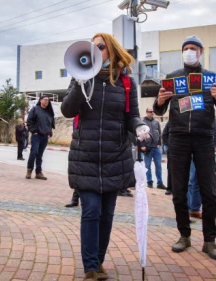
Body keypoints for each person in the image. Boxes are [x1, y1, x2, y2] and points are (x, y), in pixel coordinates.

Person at [61, 33, 148, 281]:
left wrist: (140, 126)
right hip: (85, 156)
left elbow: (132, 116)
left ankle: (98, 261)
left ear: (110, 50)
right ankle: (90, 266)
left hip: (114, 156)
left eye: (100, 46)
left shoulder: (125, 82)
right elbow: (67, 110)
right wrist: (79, 84)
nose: (95, 50)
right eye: (92, 46)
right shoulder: (80, 76)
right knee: (91, 211)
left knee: (107, 215)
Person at [154, 35, 216, 261]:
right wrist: (159, 101)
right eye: (186, 48)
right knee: (178, 191)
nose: (189, 51)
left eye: (193, 48)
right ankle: (184, 236)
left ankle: (210, 241)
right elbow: (159, 111)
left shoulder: (213, 78)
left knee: (208, 192)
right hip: (178, 138)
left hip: (204, 138)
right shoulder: (172, 78)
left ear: (200, 52)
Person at [26, 95, 55, 180]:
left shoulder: (49, 112)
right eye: (45, 100)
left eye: (48, 100)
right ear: (40, 100)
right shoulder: (35, 109)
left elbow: (50, 123)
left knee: (40, 155)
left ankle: (38, 172)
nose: (47, 101)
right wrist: (34, 131)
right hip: (36, 135)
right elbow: (29, 121)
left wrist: (50, 132)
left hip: (45, 136)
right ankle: (29, 170)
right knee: (34, 152)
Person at [140, 108, 166, 189]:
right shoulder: (142, 122)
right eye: (150, 112)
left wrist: (159, 143)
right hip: (147, 148)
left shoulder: (156, 122)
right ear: (147, 112)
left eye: (153, 111)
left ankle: (160, 183)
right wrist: (142, 145)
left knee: (158, 165)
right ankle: (149, 182)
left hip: (156, 147)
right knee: (147, 166)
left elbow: (159, 133)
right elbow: (139, 134)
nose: (152, 113)